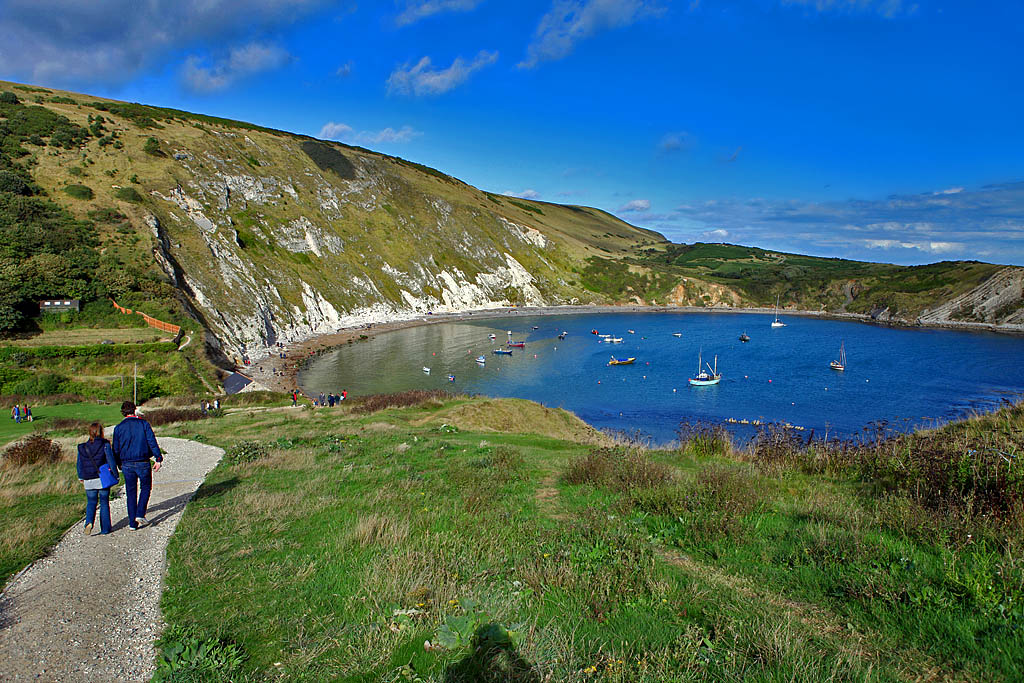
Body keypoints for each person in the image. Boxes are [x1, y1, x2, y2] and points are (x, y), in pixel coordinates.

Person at [112, 401, 162, 530]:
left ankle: (132, 523)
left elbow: (116, 449)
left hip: (126, 464)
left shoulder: (118, 428)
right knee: (145, 488)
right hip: (143, 462)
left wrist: (118, 463)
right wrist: (158, 458)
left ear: (123, 412)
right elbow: (152, 441)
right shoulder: (144, 424)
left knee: (131, 492)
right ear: (134, 410)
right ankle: (140, 513)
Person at [77, 423, 118, 535]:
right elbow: (111, 461)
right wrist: (115, 474)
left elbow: (79, 464)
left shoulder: (82, 447)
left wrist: (81, 477)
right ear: (101, 432)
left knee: (91, 502)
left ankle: (88, 522)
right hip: (102, 478)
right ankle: (105, 529)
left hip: (88, 479)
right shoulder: (105, 444)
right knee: (104, 503)